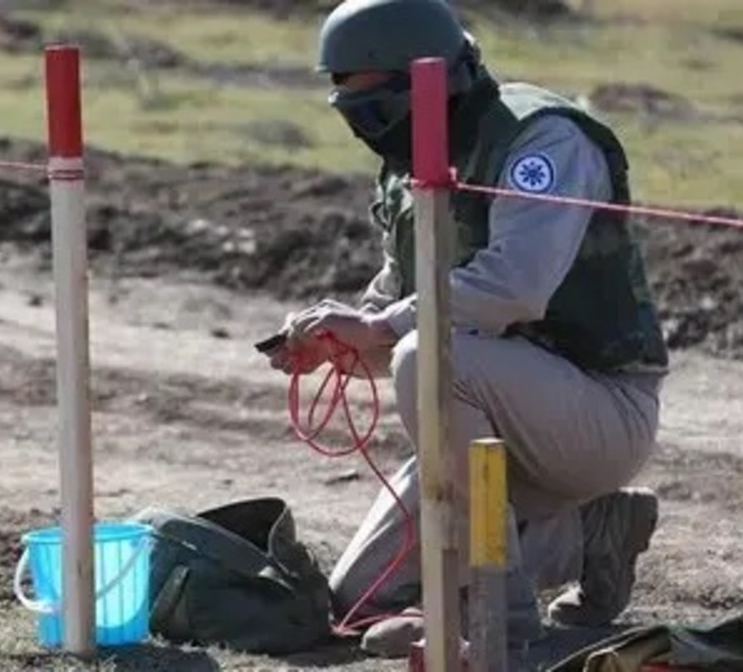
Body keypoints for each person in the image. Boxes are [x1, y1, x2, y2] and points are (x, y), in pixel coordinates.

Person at [262, 0, 670, 659]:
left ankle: (498, 618)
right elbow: (395, 311)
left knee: (428, 355)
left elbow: (514, 286)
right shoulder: (410, 161)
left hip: (596, 411)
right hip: (486, 424)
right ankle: (596, 531)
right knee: (360, 594)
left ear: (426, 80)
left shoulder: (541, 140)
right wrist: (338, 341)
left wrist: (377, 328)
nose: (363, 128)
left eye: (370, 107)